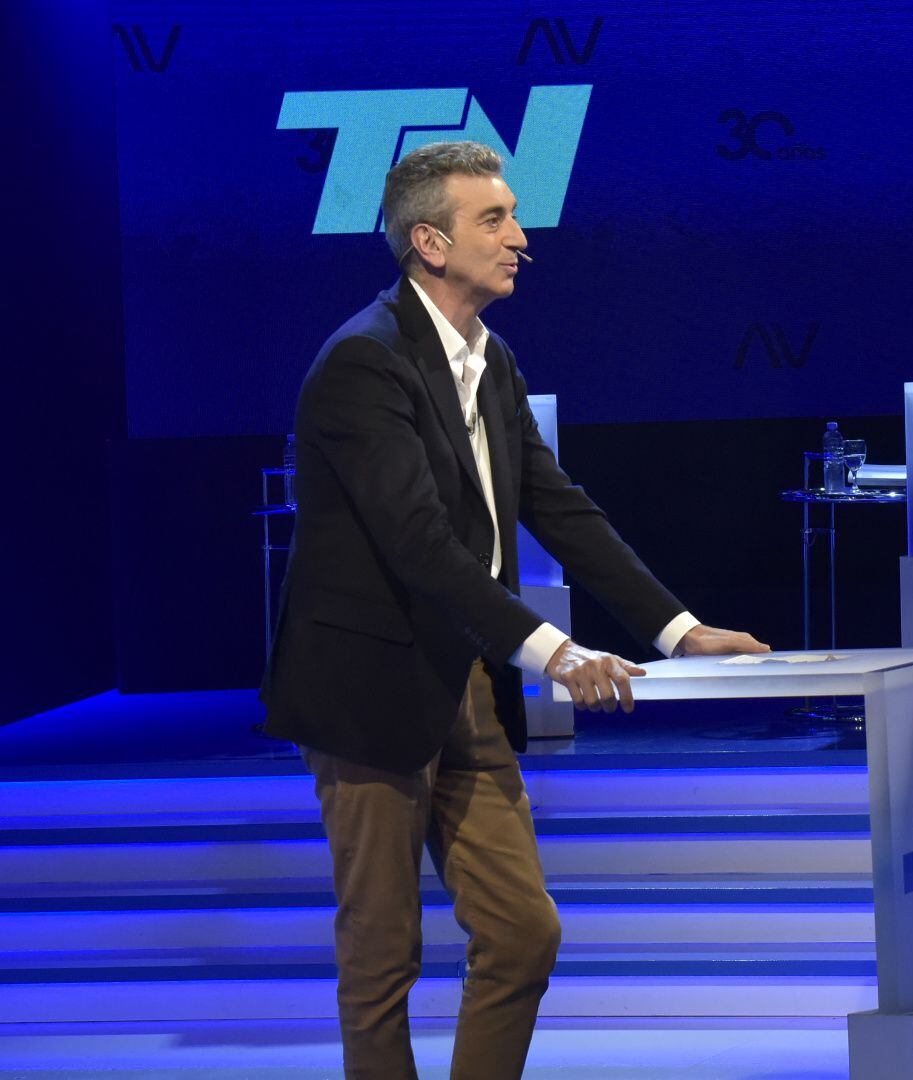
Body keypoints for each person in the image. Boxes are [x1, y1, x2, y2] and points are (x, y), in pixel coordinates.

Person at [260, 140, 769, 1079]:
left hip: (461, 681)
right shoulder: (363, 364)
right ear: (429, 242)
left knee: (524, 932)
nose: (520, 237)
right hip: (367, 690)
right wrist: (557, 654)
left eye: (514, 216)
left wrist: (679, 631)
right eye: (493, 219)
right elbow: (418, 544)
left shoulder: (491, 361)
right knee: (382, 955)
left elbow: (557, 506)